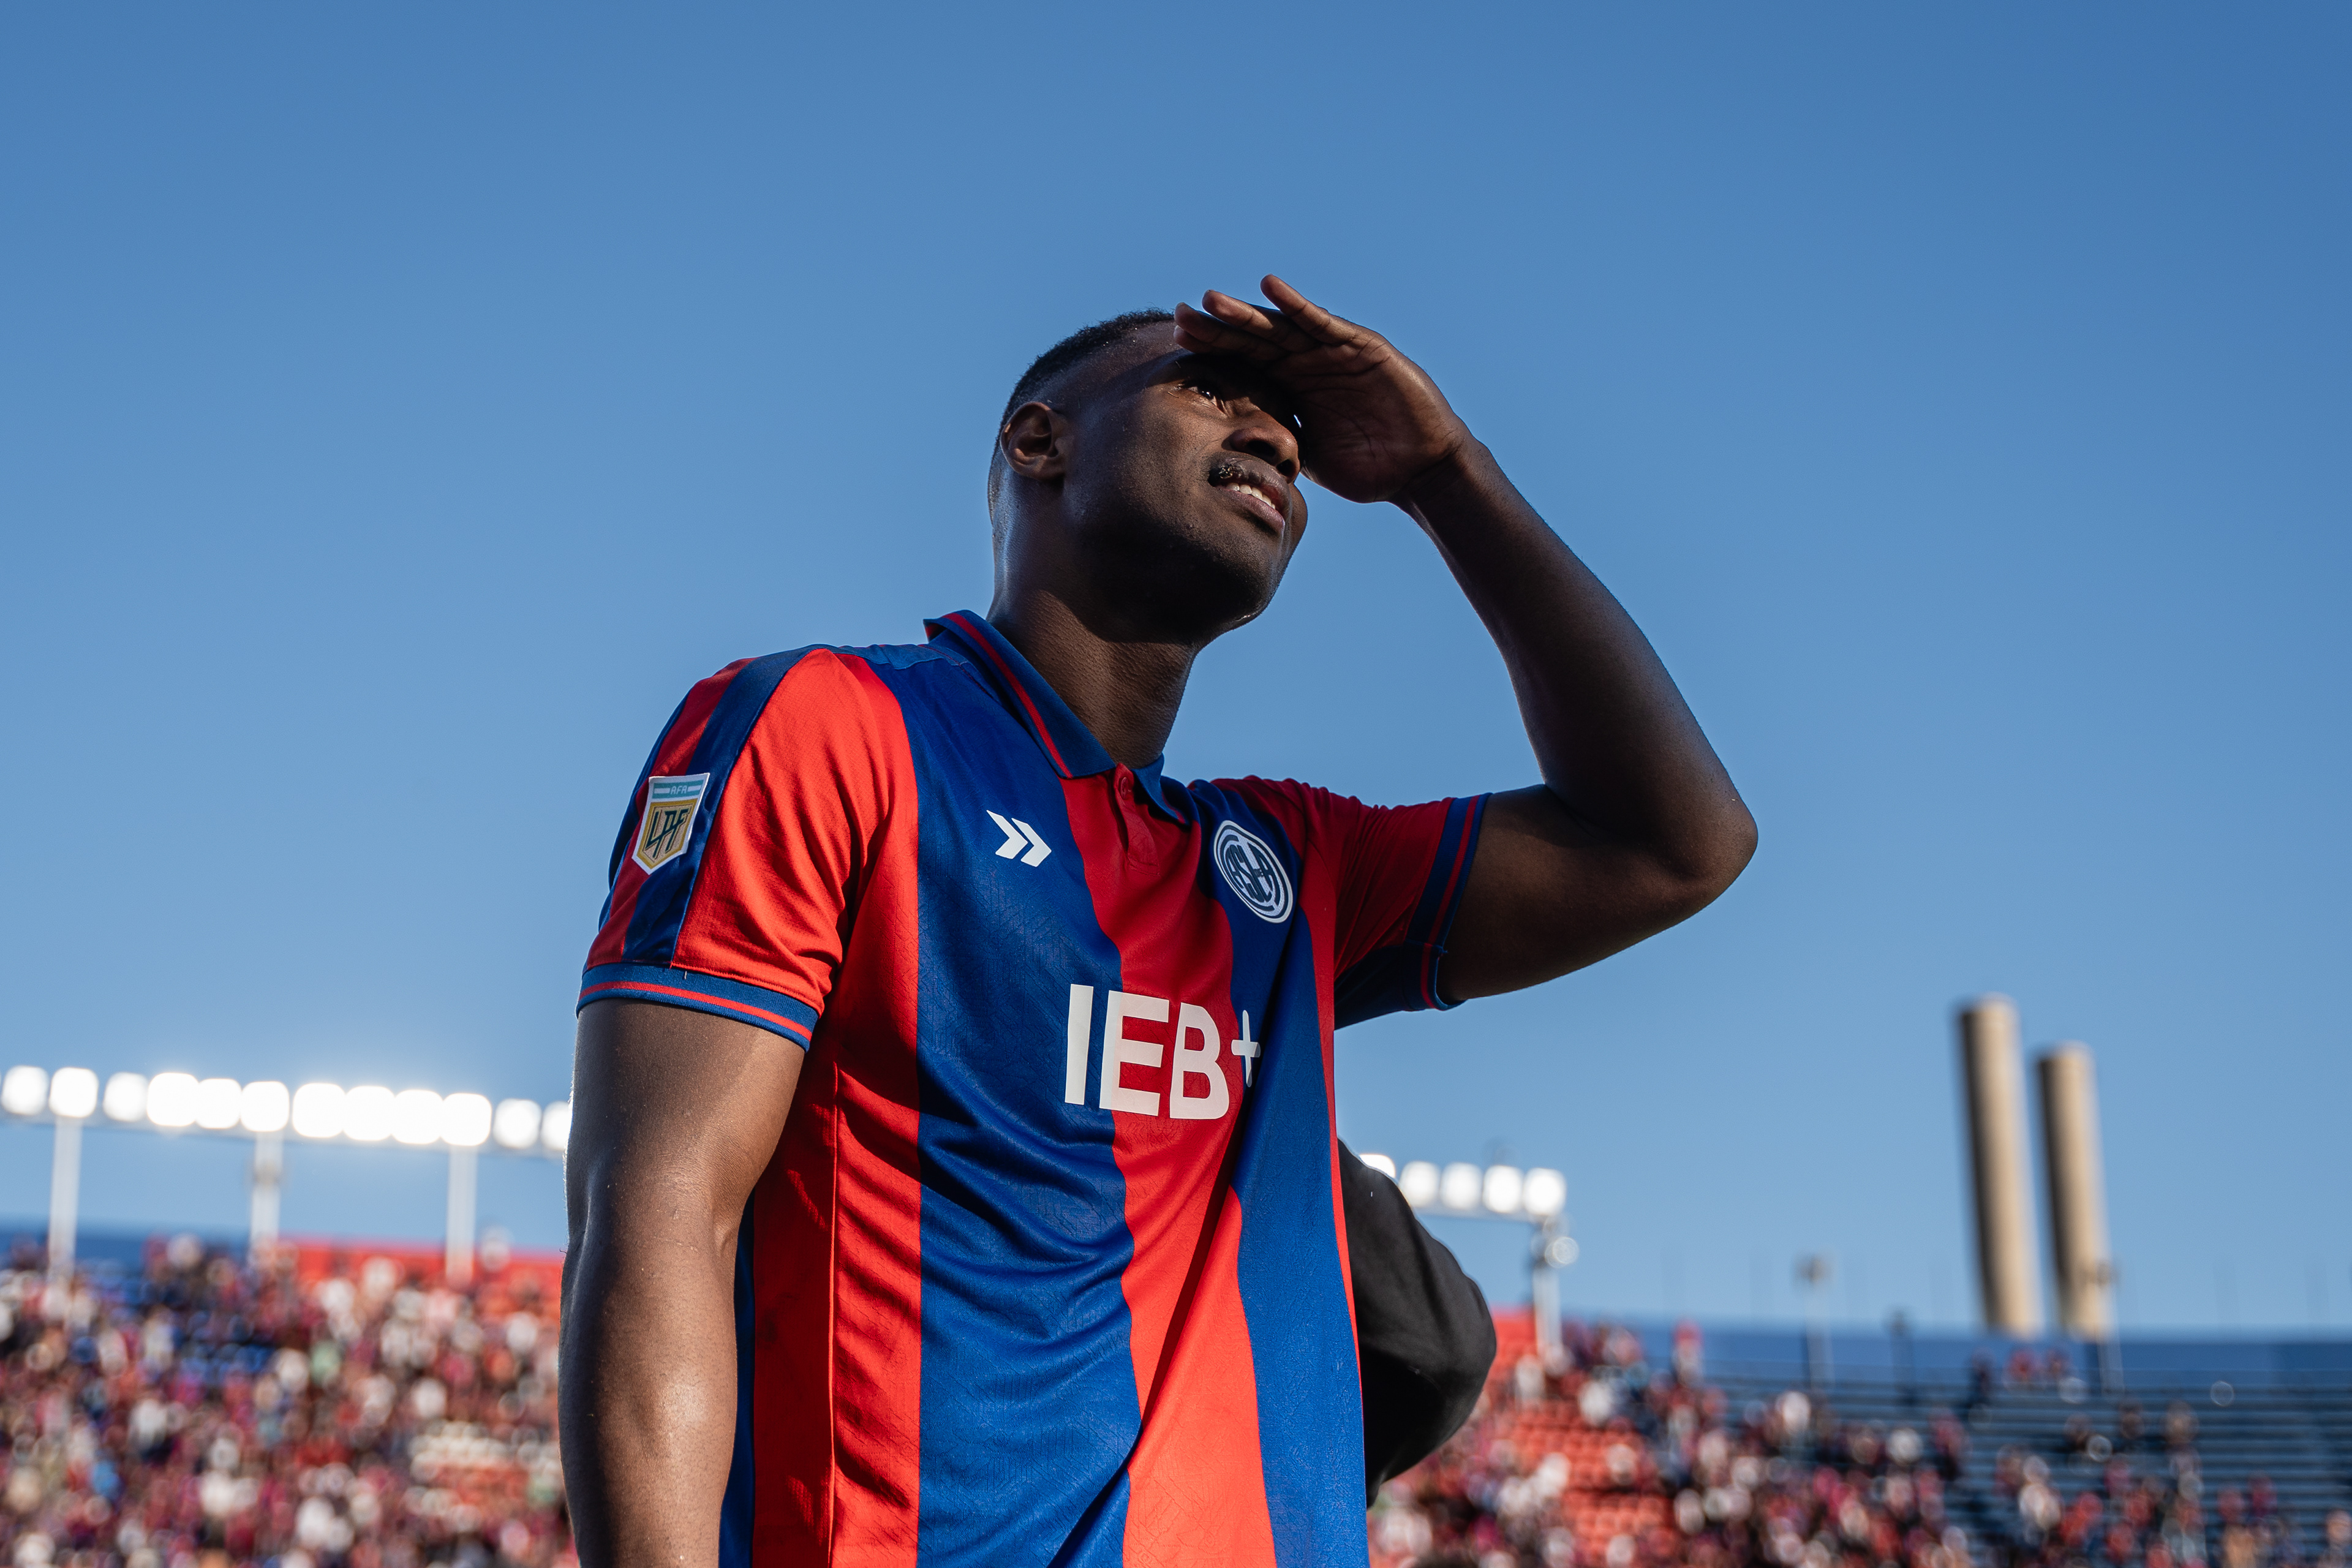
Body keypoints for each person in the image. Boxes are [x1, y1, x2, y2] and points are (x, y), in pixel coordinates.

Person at [559, 277, 1757, 1567]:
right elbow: (659, 1205)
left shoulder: (1285, 860)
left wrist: (1445, 473)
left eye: (1292, 422)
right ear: (1041, 441)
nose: (1277, 435)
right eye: (1212, 388)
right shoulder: (834, 728)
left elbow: (1679, 841)